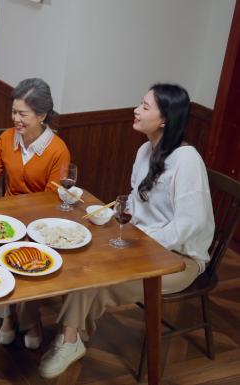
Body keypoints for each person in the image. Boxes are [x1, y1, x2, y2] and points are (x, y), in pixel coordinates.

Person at [31, 83, 214, 379]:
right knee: (83, 259)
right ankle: (73, 337)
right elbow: (136, 204)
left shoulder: (187, 160)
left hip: (179, 260)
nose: (136, 110)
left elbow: (188, 225)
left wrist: (142, 242)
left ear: (164, 118)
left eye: (144, 106)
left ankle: (69, 339)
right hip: (144, 244)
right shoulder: (145, 150)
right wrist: (117, 220)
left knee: (97, 278)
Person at [0, 78, 71, 347]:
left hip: (38, 221)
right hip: (7, 217)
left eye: (23, 114)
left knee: (26, 262)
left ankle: (30, 320)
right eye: (14, 112)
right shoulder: (7, 138)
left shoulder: (57, 150)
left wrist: (27, 222)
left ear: (42, 115)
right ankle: (9, 316)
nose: (16, 119)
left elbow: (50, 198)